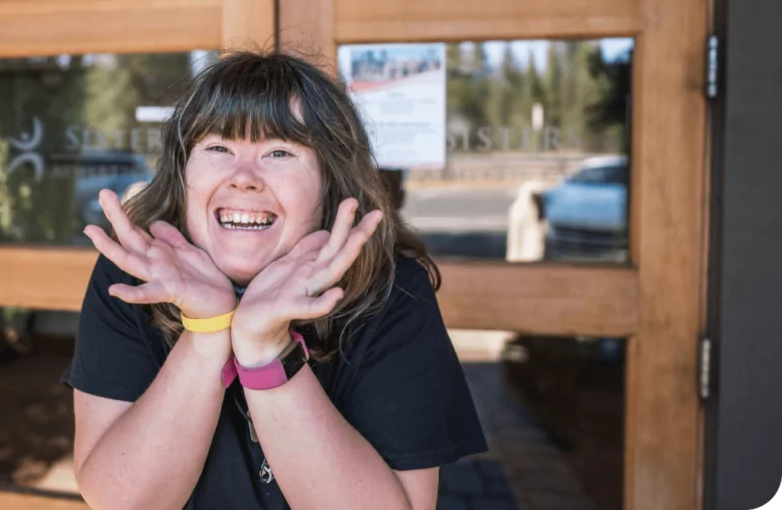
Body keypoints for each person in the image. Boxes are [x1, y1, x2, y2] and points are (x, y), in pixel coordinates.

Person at [62, 51, 487, 510]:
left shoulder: (391, 291)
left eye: (279, 152)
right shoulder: (131, 277)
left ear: (331, 183)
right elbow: (121, 500)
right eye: (219, 148)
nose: (244, 179)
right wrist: (207, 334)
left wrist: (266, 348)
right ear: (183, 175)